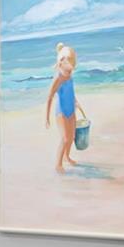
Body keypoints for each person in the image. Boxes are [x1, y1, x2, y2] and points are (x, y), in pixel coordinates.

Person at [43, 43, 86, 174]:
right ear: (61, 63)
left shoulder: (70, 76)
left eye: (72, 63)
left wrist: (76, 102)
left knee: (72, 136)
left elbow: (70, 92)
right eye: (69, 63)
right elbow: (49, 97)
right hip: (61, 112)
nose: (71, 68)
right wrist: (47, 117)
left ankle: (67, 157)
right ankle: (58, 164)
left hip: (71, 110)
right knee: (65, 138)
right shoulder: (58, 78)